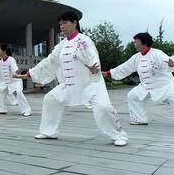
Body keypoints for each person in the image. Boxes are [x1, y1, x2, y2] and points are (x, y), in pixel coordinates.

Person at [17, 11, 128, 146]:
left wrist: (95, 67)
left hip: (90, 83)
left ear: (74, 23)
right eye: (60, 24)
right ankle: (49, 132)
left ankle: (119, 135)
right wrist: (31, 73)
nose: (62, 27)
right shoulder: (61, 46)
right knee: (50, 99)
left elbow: (92, 56)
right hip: (69, 84)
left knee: (104, 107)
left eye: (65, 23)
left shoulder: (84, 40)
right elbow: (49, 61)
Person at [103, 32, 174, 128]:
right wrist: (109, 73)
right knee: (133, 96)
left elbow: (166, 60)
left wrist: (171, 64)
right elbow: (125, 67)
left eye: (136, 42)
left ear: (144, 43)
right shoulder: (136, 57)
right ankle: (139, 119)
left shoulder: (157, 53)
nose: (134, 44)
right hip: (146, 86)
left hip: (166, 86)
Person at [0, 45, 31, 116]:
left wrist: (16, 72)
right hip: (6, 82)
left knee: (19, 93)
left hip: (15, 81)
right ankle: (1, 109)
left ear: (4, 51)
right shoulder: (0, 62)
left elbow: (15, 69)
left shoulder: (11, 59)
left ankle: (26, 110)